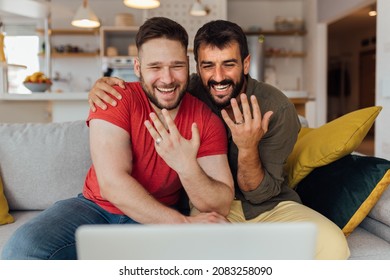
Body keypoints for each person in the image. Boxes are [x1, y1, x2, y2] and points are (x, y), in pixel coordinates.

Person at [88, 20, 350, 260]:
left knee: (333, 246)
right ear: (196, 67)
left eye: (229, 64)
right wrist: (103, 86)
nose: (218, 77)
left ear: (245, 64)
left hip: (269, 205)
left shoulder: (277, 109)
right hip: (207, 206)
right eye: (208, 65)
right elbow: (156, 84)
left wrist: (247, 148)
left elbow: (260, 193)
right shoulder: (186, 90)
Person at [1, 17, 234, 260]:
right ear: (137, 68)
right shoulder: (115, 98)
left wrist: (187, 168)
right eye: (154, 67)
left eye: (176, 66)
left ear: (188, 65)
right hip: (94, 209)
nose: (167, 79)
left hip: (157, 216)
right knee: (21, 251)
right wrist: (182, 223)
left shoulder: (206, 119)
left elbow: (220, 204)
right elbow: (112, 184)